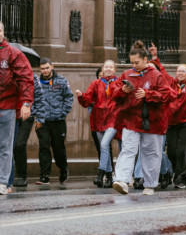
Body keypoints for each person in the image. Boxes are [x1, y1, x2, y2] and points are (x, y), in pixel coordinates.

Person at [111, 41, 175, 195]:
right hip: (131, 120)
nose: (134, 65)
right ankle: (122, 180)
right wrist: (122, 90)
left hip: (152, 121)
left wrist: (148, 95)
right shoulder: (127, 74)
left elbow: (168, 95)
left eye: (137, 62)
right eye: (132, 62)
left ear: (145, 60)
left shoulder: (156, 75)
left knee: (151, 152)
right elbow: (113, 94)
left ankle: (150, 185)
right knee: (128, 149)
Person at [151, 48, 186, 189]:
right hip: (172, 122)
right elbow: (162, 72)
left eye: (183, 71)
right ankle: (181, 172)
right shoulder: (170, 83)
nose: (180, 73)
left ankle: (180, 176)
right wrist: (155, 57)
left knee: (183, 150)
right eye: (178, 71)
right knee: (173, 152)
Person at [0, 22, 34, 195]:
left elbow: (26, 79)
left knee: (5, 146)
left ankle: (3, 182)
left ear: (3, 32)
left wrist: (26, 104)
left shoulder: (13, 53)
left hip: (7, 107)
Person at [75, 60, 118, 188]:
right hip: (98, 118)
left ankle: (100, 174)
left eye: (111, 67)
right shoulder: (96, 83)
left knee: (104, 144)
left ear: (114, 69)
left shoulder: (119, 82)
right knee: (103, 147)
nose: (108, 69)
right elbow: (88, 99)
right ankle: (109, 177)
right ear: (103, 69)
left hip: (113, 117)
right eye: (106, 67)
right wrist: (81, 96)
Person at [31, 59, 74, 185]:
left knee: (58, 147)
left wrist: (63, 112)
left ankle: (63, 169)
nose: (45, 70)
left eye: (47, 68)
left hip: (58, 121)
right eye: (42, 68)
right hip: (42, 121)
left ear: (52, 67)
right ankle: (44, 175)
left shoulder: (61, 80)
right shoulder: (36, 83)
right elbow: (32, 99)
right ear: (40, 69)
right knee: (44, 147)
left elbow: (69, 97)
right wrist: (36, 114)